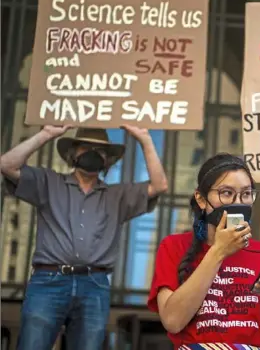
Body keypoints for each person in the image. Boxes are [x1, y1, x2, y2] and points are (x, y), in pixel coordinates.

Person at [0, 125, 168, 350]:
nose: (93, 153)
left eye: (100, 150)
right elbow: (6, 165)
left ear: (107, 160)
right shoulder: (49, 183)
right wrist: (47, 134)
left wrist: (145, 139)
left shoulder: (117, 195)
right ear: (72, 154)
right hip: (48, 281)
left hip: (94, 284)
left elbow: (159, 185)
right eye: (86, 147)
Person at [147, 153, 260, 350]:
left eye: (246, 194)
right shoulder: (173, 246)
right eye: (226, 193)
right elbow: (172, 321)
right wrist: (219, 251)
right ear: (201, 199)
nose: (237, 202)